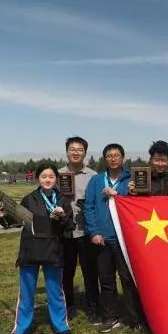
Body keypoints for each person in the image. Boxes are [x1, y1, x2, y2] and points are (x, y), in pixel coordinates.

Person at [0, 163, 74, 334]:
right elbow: (17, 221)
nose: (47, 180)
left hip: (53, 250)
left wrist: (63, 216)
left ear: (57, 179)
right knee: (26, 291)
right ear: (38, 178)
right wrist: (4, 216)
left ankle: (61, 325)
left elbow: (70, 226)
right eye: (44, 176)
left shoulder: (63, 200)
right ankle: (21, 327)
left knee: (55, 290)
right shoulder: (28, 199)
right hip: (30, 250)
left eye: (51, 177)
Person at [83, 143, 144, 333]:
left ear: (123, 158)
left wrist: (120, 195)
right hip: (103, 238)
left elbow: (139, 205)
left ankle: (134, 318)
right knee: (106, 280)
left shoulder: (131, 179)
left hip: (125, 239)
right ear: (105, 159)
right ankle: (110, 316)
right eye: (109, 156)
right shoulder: (96, 180)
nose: (113, 158)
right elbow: (89, 206)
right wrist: (94, 232)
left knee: (128, 280)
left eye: (116, 155)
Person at [58, 136, 99, 324]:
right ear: (67, 152)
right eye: (72, 149)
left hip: (85, 230)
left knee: (90, 271)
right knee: (66, 272)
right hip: (64, 231)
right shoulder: (57, 174)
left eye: (80, 150)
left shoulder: (93, 176)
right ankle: (68, 306)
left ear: (85, 153)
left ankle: (93, 306)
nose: (76, 152)